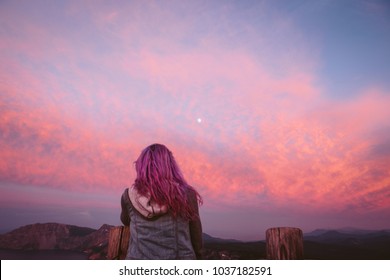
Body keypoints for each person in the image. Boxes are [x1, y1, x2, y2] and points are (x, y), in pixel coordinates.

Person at [120, 143, 203, 259]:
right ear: (170, 166)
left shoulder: (128, 196)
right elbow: (196, 236)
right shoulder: (186, 195)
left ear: (141, 167)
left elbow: (125, 220)